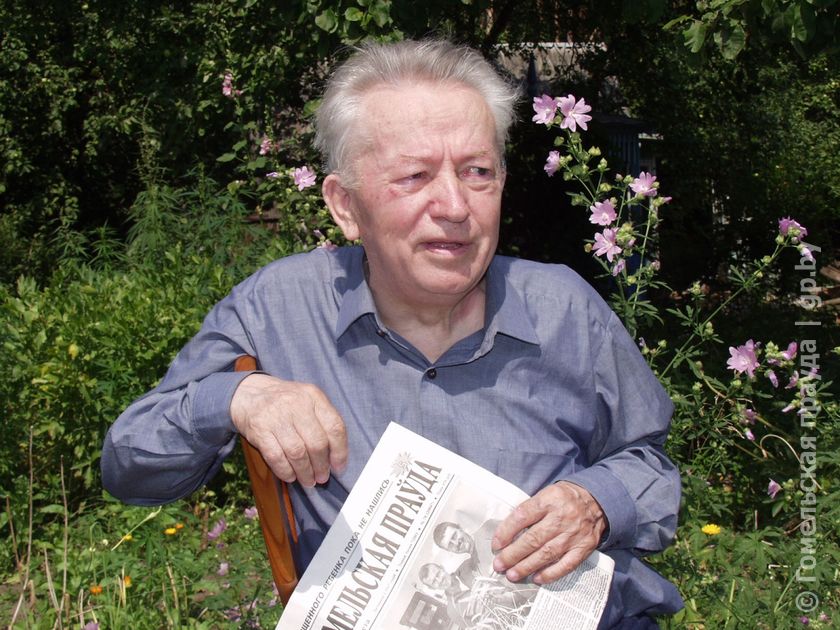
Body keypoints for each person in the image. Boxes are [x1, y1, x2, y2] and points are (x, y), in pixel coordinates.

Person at [101, 38, 682, 628]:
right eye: (414, 176)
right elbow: (128, 464)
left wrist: (595, 504)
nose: (454, 205)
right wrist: (237, 397)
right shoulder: (277, 308)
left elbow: (650, 466)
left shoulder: (565, 310)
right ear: (345, 206)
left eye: (478, 172)